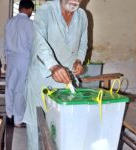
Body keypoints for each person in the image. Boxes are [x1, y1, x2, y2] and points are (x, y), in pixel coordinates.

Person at [23, 0, 88, 149]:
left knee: (62, 125)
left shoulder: (82, 16)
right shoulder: (45, 10)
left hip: (66, 79)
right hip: (42, 75)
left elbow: (83, 44)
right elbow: (39, 41)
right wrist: (53, 66)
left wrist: (78, 61)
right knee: (36, 124)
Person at [4, 0, 34, 127]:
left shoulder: (9, 23)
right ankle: (18, 120)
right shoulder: (30, 24)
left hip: (10, 59)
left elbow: (5, 43)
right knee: (20, 90)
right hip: (24, 59)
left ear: (20, 8)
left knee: (10, 87)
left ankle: (9, 115)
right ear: (30, 9)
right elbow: (33, 44)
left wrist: (6, 60)